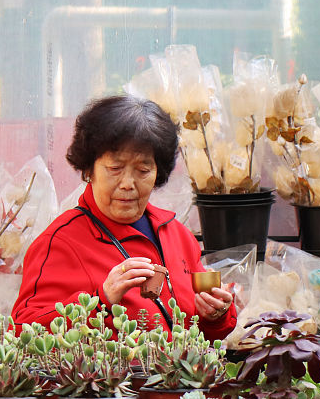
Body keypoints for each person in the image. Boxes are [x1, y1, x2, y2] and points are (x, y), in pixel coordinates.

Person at [12, 94, 236, 339]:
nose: (128, 184)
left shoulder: (177, 234)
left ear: (158, 172)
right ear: (89, 169)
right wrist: (100, 300)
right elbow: (24, 331)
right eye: (115, 169)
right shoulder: (59, 242)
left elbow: (200, 333)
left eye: (143, 170)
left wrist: (214, 315)